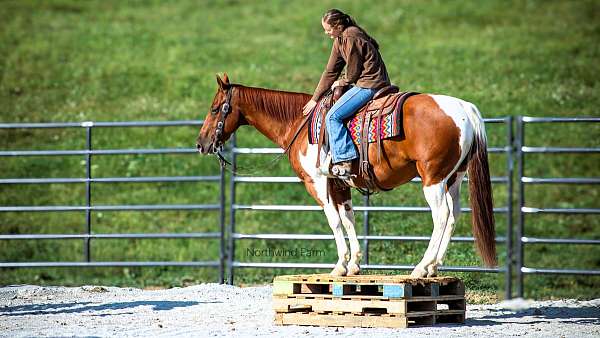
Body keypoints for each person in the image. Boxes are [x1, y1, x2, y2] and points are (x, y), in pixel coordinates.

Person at [302, 9, 391, 177]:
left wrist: (341, 82)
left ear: (337, 25)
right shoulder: (340, 39)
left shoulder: (351, 36)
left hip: (369, 84)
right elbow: (330, 71)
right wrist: (315, 98)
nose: (326, 32)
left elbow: (352, 72)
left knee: (332, 117)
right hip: (364, 82)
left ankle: (344, 160)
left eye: (328, 29)